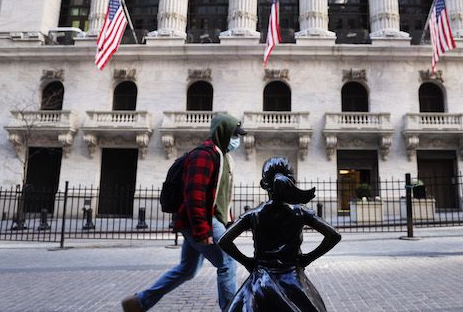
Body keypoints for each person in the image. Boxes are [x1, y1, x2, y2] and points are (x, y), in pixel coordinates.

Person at [122, 112, 246, 311]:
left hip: (206, 220)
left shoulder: (224, 158)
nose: (237, 140)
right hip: (200, 221)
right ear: (223, 132)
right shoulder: (204, 155)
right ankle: (230, 309)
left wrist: (227, 222)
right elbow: (194, 196)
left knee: (187, 270)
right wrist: (203, 231)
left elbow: (222, 197)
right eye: (234, 135)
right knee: (227, 262)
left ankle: (139, 302)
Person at [218, 157, 341, 312]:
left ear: (264, 185)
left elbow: (224, 240)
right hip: (292, 278)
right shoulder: (300, 212)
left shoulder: (254, 214)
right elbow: (334, 236)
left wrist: (247, 262)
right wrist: (307, 259)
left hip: (260, 280)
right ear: (292, 181)